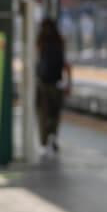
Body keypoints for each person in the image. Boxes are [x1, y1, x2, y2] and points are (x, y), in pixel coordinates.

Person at [35, 16, 72, 154]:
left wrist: (69, 84)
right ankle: (49, 139)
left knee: (46, 115)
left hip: (48, 84)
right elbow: (66, 65)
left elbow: (66, 65)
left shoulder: (42, 41)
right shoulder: (58, 41)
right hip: (51, 84)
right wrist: (69, 84)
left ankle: (47, 140)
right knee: (51, 115)